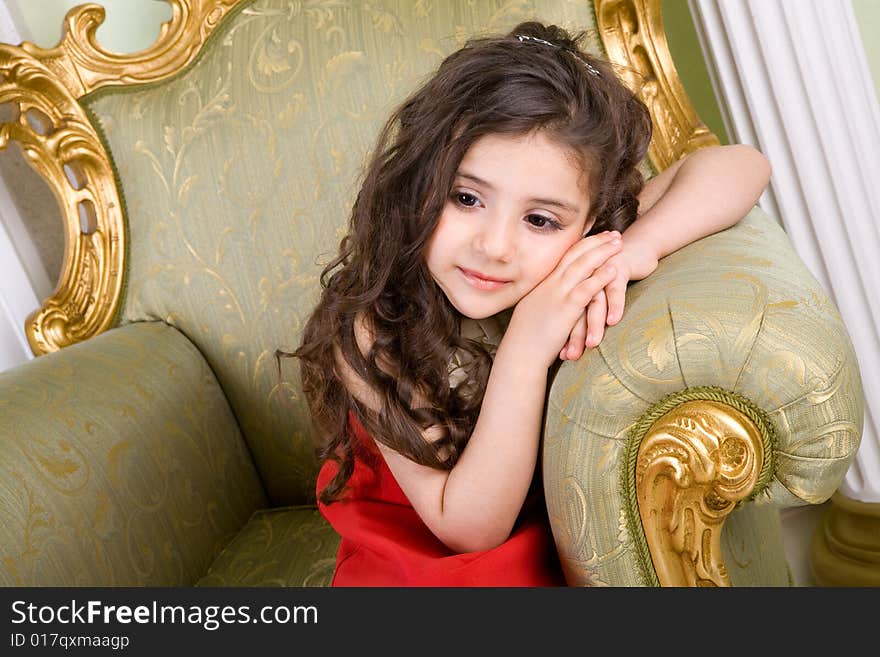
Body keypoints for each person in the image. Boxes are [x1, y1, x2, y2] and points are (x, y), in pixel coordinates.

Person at [287, 22, 771, 586]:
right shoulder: (371, 323)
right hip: (425, 566)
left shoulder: (587, 245)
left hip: (554, 536)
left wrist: (633, 249)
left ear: (589, 222)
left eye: (539, 219)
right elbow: (469, 527)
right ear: (418, 182)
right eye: (465, 198)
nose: (494, 246)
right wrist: (525, 348)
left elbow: (743, 165)